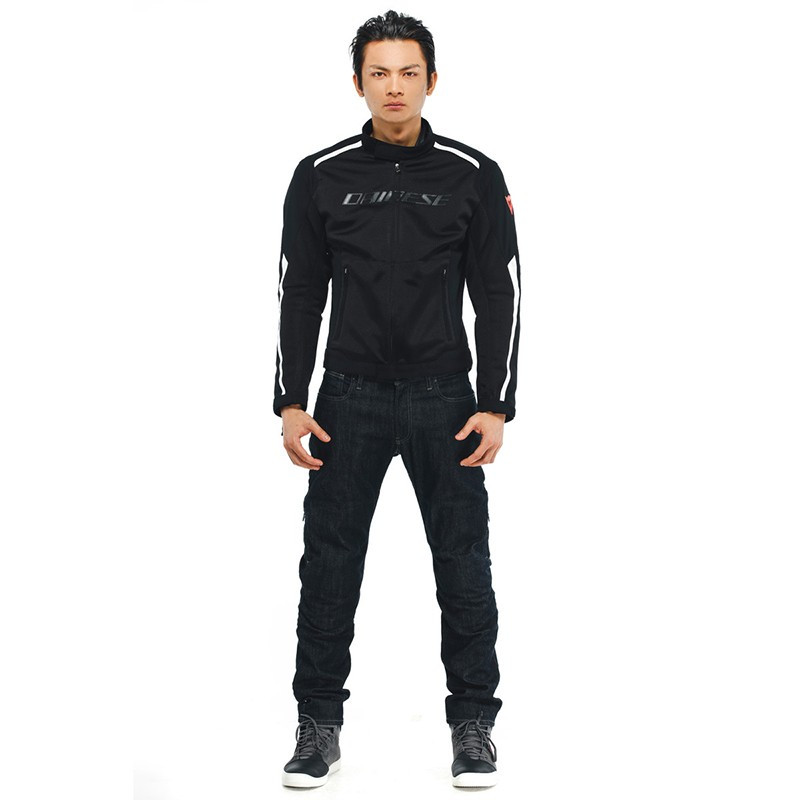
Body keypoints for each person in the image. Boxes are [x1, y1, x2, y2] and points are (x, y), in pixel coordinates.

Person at [274, 9, 521, 789]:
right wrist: (289, 399)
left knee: (464, 562)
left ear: (432, 80)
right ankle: (317, 727)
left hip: (446, 399)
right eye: (379, 72)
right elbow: (298, 292)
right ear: (358, 82)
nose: (394, 86)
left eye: (409, 72)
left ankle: (474, 727)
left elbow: (501, 291)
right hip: (346, 399)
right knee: (329, 564)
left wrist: (495, 402)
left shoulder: (473, 174)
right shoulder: (320, 175)